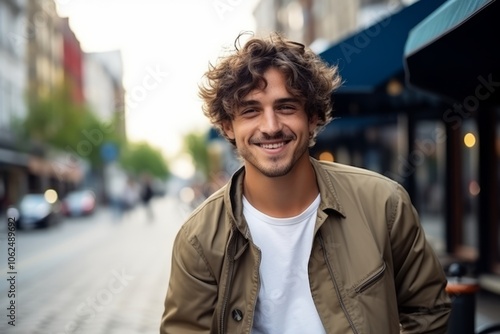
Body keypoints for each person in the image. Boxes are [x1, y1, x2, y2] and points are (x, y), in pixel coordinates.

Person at [160, 32, 451, 334]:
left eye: (286, 107)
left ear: (313, 117)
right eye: (250, 110)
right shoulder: (198, 238)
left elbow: (429, 310)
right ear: (227, 126)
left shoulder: (383, 203)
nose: (271, 127)